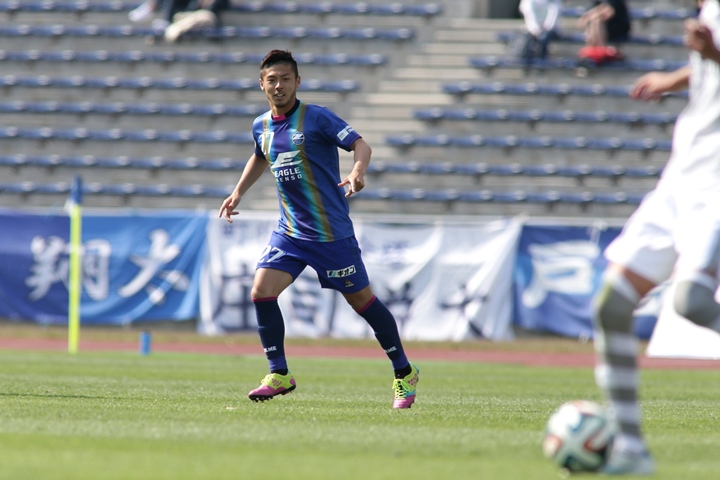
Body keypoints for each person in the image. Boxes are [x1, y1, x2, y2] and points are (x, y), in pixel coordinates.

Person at [217, 50, 420, 409]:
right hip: (290, 232)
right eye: (272, 80)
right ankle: (279, 373)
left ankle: (404, 372)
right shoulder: (260, 125)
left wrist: (357, 171)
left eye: (285, 79)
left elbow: (361, 144)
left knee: (362, 302)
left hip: (330, 233)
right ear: (261, 84)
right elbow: (260, 154)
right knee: (261, 291)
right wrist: (237, 193)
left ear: (297, 81)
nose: (279, 86)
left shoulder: (317, 118)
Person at [592, 0, 720, 474]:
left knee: (693, 302)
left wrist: (712, 53)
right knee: (611, 306)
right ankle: (631, 452)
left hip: (717, 184)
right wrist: (678, 76)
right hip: (681, 176)